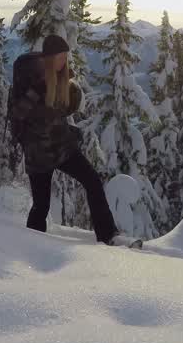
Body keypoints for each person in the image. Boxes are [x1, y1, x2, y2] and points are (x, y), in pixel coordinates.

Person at [7, 34, 133, 246]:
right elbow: (17, 114)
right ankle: (31, 246)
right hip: (39, 155)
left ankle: (108, 234)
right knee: (41, 205)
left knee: (92, 181)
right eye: (59, 57)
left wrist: (72, 108)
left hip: (62, 148)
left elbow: (61, 112)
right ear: (48, 58)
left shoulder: (62, 79)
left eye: (65, 57)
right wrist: (35, 93)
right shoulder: (32, 81)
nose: (63, 61)